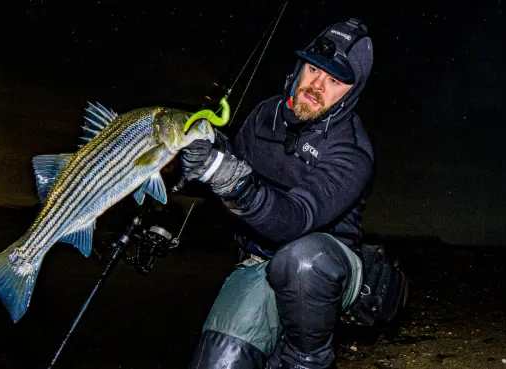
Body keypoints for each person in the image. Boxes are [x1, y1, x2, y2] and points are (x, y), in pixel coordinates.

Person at [173, 18, 406, 369]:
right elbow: (230, 173)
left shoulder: (352, 152)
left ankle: (308, 359)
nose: (316, 86)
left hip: (328, 266)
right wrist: (207, 156)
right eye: (313, 69)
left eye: (334, 81)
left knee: (302, 259)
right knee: (218, 362)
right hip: (259, 263)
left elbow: (295, 219)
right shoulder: (263, 115)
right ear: (299, 66)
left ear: (351, 93)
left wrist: (235, 182)